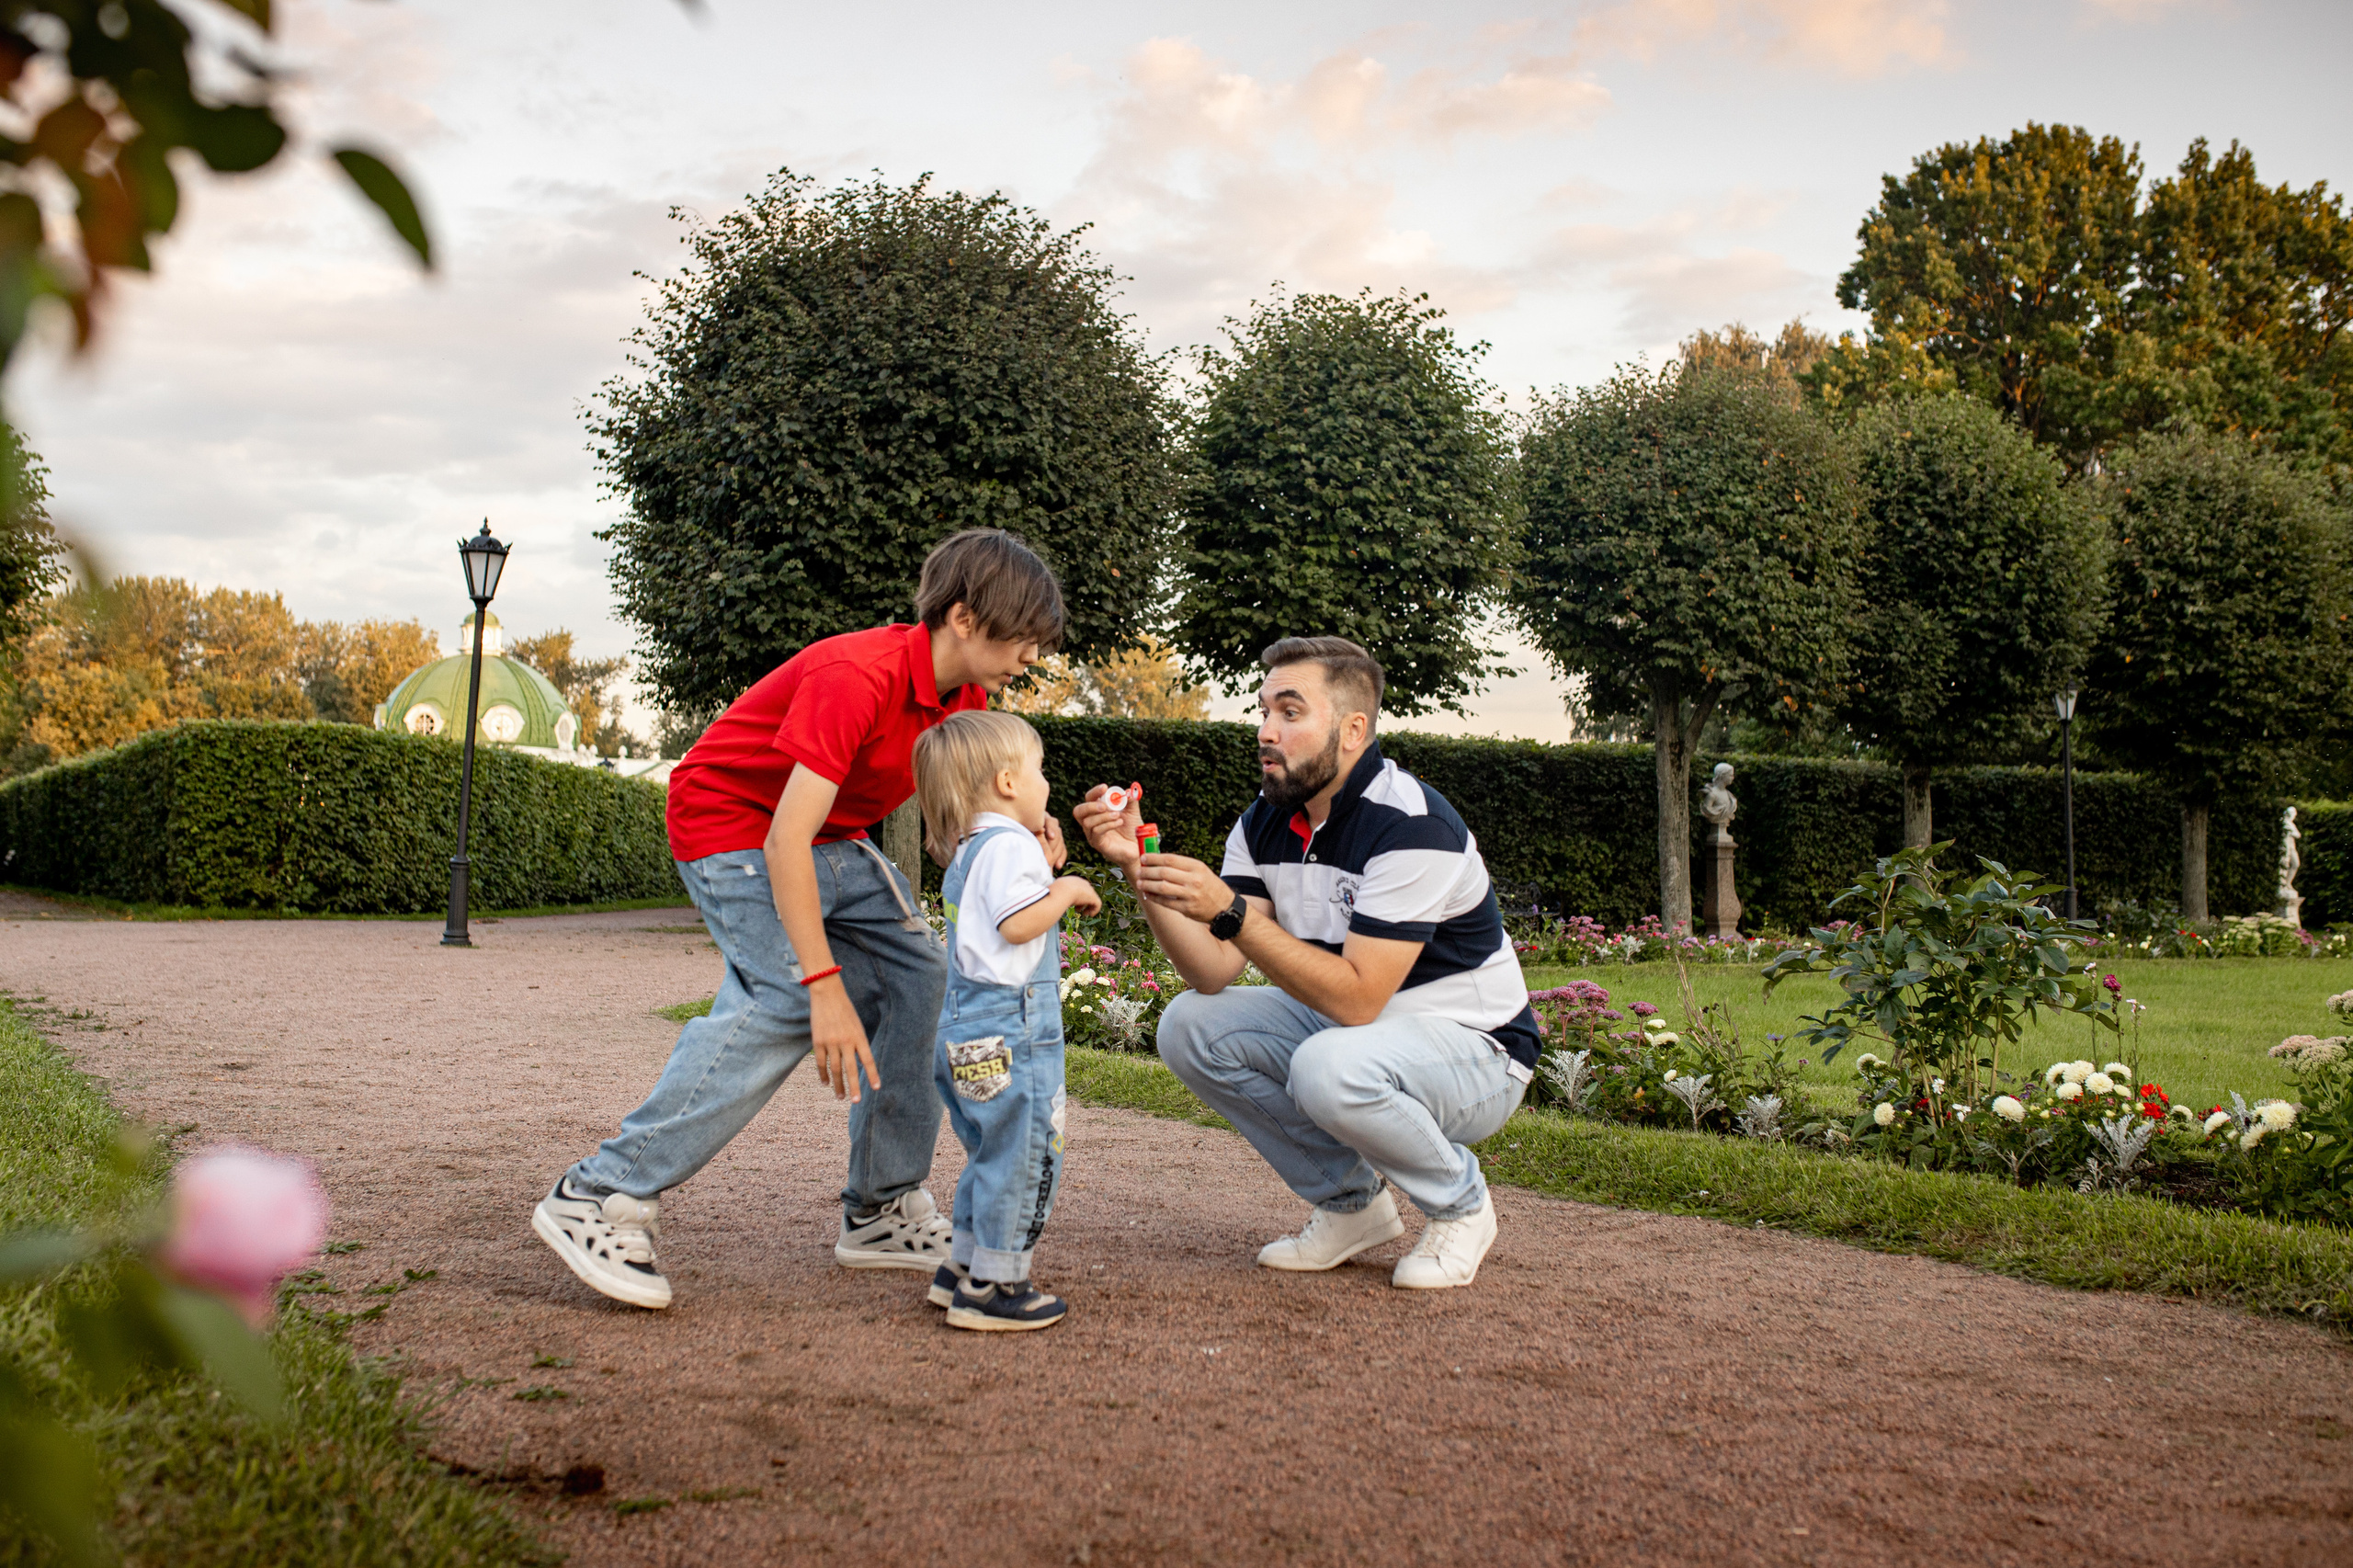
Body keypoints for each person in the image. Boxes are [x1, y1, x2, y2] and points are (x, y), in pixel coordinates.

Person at [532, 529, 1068, 1310]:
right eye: (1023, 635)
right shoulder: (856, 675)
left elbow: (950, 827)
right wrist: (822, 984)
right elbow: (784, 837)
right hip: (734, 825)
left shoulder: (967, 702)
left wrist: (1025, 834)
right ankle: (597, 1194)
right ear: (962, 616)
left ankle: (881, 1211)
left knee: (924, 978)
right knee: (783, 999)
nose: (1031, 654)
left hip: (828, 839)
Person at [1073, 636, 1536, 1290]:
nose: (1266, 731)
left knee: (1327, 1066)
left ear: (1352, 730)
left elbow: (1355, 1000)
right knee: (1189, 1025)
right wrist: (1137, 864)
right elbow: (1211, 971)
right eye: (1263, 711)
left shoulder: (1412, 824)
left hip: (1477, 1053)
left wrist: (1229, 910)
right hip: (1365, 1038)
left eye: (1290, 713)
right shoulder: (1265, 820)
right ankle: (1352, 1207)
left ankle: (1462, 1206)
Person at [911, 710, 1101, 1330]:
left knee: (991, 1152)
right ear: (1008, 782)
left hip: (965, 1026)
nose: (1048, 782)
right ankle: (995, 1288)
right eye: (1040, 770)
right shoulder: (1011, 844)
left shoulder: (970, 849)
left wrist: (1045, 871)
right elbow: (1017, 926)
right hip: (1012, 1027)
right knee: (1024, 1152)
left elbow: (1000, 925)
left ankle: (963, 1266)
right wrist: (1068, 887)